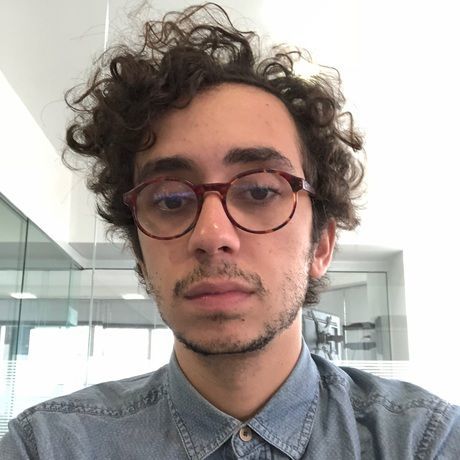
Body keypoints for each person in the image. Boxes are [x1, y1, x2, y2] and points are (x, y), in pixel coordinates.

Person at [1, 3, 459, 459]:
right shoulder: (46, 446)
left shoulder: (425, 442)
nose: (211, 234)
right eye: (170, 200)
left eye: (259, 191)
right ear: (140, 252)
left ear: (321, 244)